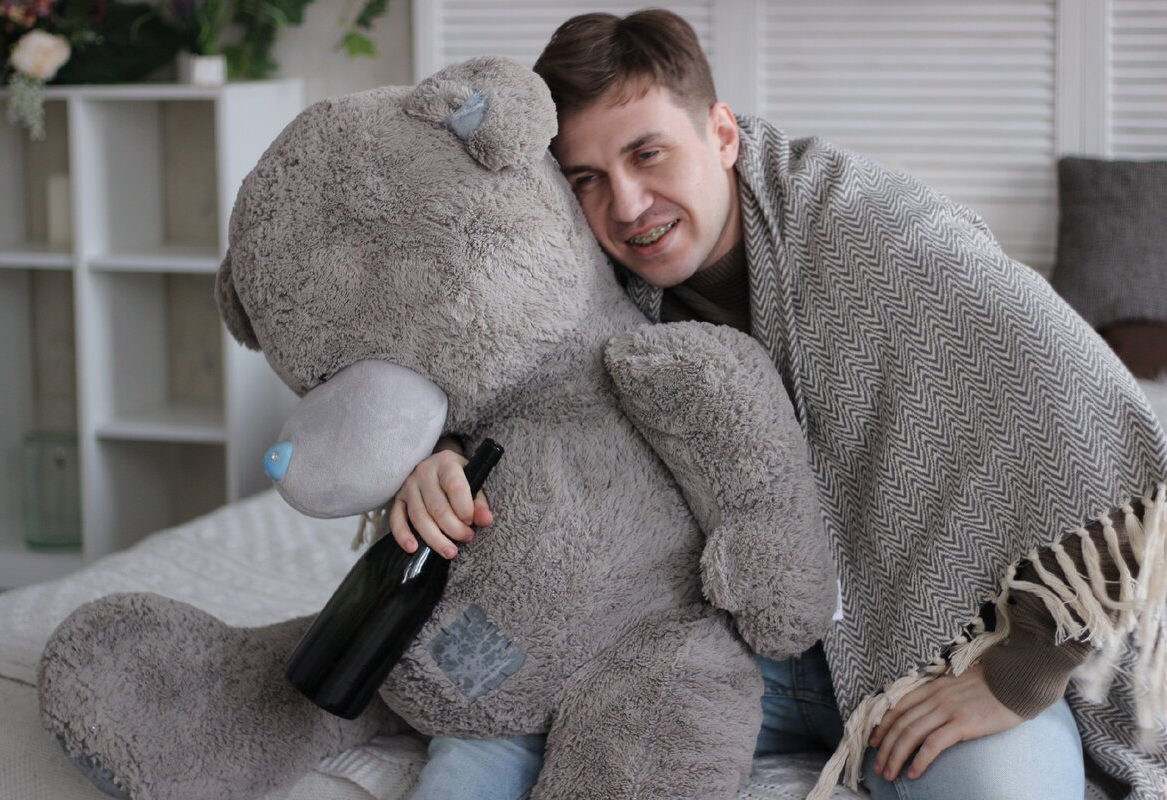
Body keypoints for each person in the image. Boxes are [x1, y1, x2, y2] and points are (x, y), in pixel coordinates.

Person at [391, 10, 1167, 800]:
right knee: (484, 711)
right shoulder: (576, 270)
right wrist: (445, 457)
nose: (624, 205)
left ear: (722, 134)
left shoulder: (890, 240)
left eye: (647, 154)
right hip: (696, 649)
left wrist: (1019, 672)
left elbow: (1119, 450)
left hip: (927, 649)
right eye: (586, 178)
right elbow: (505, 379)